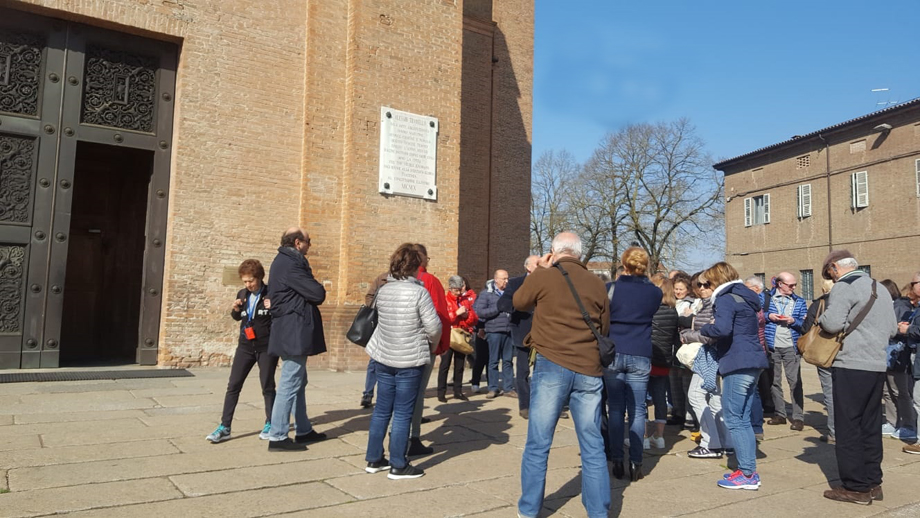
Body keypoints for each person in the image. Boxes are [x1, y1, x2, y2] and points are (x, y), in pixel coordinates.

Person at [513, 232, 611, 518]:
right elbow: (604, 329)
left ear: (553, 252)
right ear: (579, 253)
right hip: (589, 368)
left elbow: (519, 301)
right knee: (592, 445)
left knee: (538, 443)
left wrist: (541, 269)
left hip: (551, 364)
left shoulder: (545, 276)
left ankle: (529, 510)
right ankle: (598, 512)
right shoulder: (597, 283)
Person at [818, 250, 896, 504]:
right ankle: (873, 482)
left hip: (851, 362)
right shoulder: (879, 288)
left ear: (834, 268)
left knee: (848, 425)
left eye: (829, 272)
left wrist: (822, 317)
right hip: (876, 363)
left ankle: (855, 486)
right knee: (870, 424)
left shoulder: (844, 286)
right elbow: (893, 328)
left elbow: (831, 324)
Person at [363, 243, 442, 480]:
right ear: (416, 267)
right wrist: (433, 346)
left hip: (384, 357)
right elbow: (434, 326)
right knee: (403, 412)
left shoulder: (384, 289)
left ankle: (374, 458)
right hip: (409, 360)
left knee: (382, 409)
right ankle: (398, 463)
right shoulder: (419, 292)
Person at [697, 262, 767, 490]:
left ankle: (747, 475)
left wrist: (705, 328)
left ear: (716, 280)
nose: (704, 286)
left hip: (738, 362)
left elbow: (722, 329)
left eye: (707, 282)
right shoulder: (746, 297)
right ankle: (747, 469)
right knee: (743, 419)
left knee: (735, 419)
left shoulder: (726, 299)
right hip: (753, 361)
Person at [265, 228, 328, 451]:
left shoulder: (284, 261)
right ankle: (278, 435)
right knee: (290, 382)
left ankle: (303, 429)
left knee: (298, 381)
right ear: (298, 242)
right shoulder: (291, 264)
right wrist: (317, 286)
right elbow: (317, 293)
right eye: (309, 241)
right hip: (293, 329)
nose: (310, 245)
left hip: (291, 327)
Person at [605, 247, 662, 481]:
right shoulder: (655, 293)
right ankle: (636, 462)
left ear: (623, 264)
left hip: (614, 351)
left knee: (616, 408)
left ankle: (617, 460)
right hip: (640, 351)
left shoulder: (610, 289)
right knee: (638, 409)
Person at [206, 259, 279, 443]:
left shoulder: (271, 294)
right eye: (245, 281)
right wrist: (236, 309)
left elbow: (280, 318)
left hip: (266, 347)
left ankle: (271, 422)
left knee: (267, 386)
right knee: (233, 385)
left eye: (251, 281)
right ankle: (225, 427)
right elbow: (238, 317)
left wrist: (275, 308)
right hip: (245, 346)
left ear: (260, 277)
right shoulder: (243, 294)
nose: (248, 285)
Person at [679, 275, 733, 459]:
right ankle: (725, 441)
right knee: (714, 396)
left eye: (706, 284)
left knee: (696, 395)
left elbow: (711, 334)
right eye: (699, 284)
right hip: (710, 354)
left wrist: (688, 335)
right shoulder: (706, 303)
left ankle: (711, 443)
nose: (702, 288)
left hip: (709, 355)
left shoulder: (715, 304)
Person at [407, 244, 451, 456]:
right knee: (416, 394)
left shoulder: (389, 279)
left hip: (393, 346)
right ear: (422, 260)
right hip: (422, 345)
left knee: (396, 394)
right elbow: (440, 315)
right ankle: (412, 438)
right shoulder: (430, 281)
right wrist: (439, 345)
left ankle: (392, 435)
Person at [765, 272, 808, 431]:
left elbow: (805, 324)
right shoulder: (767, 299)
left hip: (792, 346)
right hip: (772, 345)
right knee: (775, 382)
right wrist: (770, 316)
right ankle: (780, 414)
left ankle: (798, 417)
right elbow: (758, 316)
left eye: (795, 284)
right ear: (779, 284)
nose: (794, 287)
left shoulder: (799, 301)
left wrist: (793, 321)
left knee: (795, 382)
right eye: (791, 285)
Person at [499, 255, 540, 419]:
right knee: (522, 372)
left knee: (542, 372)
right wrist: (521, 307)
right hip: (523, 333)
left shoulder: (548, 281)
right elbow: (503, 304)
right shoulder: (516, 283)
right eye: (538, 264)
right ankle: (525, 406)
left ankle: (542, 406)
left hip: (543, 334)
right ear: (528, 267)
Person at [801, 275, 837, 444]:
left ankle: (834, 432)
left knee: (829, 392)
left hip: (824, 352)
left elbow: (806, 328)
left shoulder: (819, 303)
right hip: (844, 352)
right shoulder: (847, 302)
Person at [646, 277, 679, 450]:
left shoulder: (650, 308)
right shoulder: (674, 311)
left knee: (641, 399)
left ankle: (643, 436)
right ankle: (659, 436)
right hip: (664, 359)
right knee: (660, 398)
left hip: (648, 356)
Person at [883, 278, 917, 442]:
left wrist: (898, 328)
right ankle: (892, 421)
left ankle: (908, 424)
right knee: (887, 391)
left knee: (900, 391)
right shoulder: (893, 305)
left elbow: (896, 329)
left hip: (898, 354)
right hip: (888, 353)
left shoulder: (900, 306)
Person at [473, 269, 514, 398]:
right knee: (493, 361)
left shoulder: (510, 293)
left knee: (508, 361)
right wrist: (498, 308)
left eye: (507, 278)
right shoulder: (486, 294)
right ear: (496, 279)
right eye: (504, 279)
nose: (507, 281)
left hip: (509, 330)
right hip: (494, 331)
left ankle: (508, 388)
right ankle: (493, 388)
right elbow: (480, 312)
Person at [437, 276, 478, 402]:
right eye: (456, 290)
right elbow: (443, 318)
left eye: (460, 290)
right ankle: (441, 392)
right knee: (445, 364)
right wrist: (456, 314)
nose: (459, 293)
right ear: (450, 289)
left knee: (460, 364)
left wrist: (467, 315)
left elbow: (474, 319)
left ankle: (458, 391)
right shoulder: (445, 300)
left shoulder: (465, 300)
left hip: (461, 335)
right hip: (449, 335)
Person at [745, 276, 777, 419]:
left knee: (759, 382)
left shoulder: (759, 300)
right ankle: (767, 404)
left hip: (760, 344)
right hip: (761, 344)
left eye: (747, 288)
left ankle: (767, 406)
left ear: (756, 289)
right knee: (760, 380)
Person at [360, 271, 389, 409]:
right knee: (374, 361)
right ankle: (368, 393)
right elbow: (369, 296)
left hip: (397, 328)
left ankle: (385, 396)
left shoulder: (409, 280)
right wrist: (377, 309)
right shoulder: (382, 278)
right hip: (379, 325)